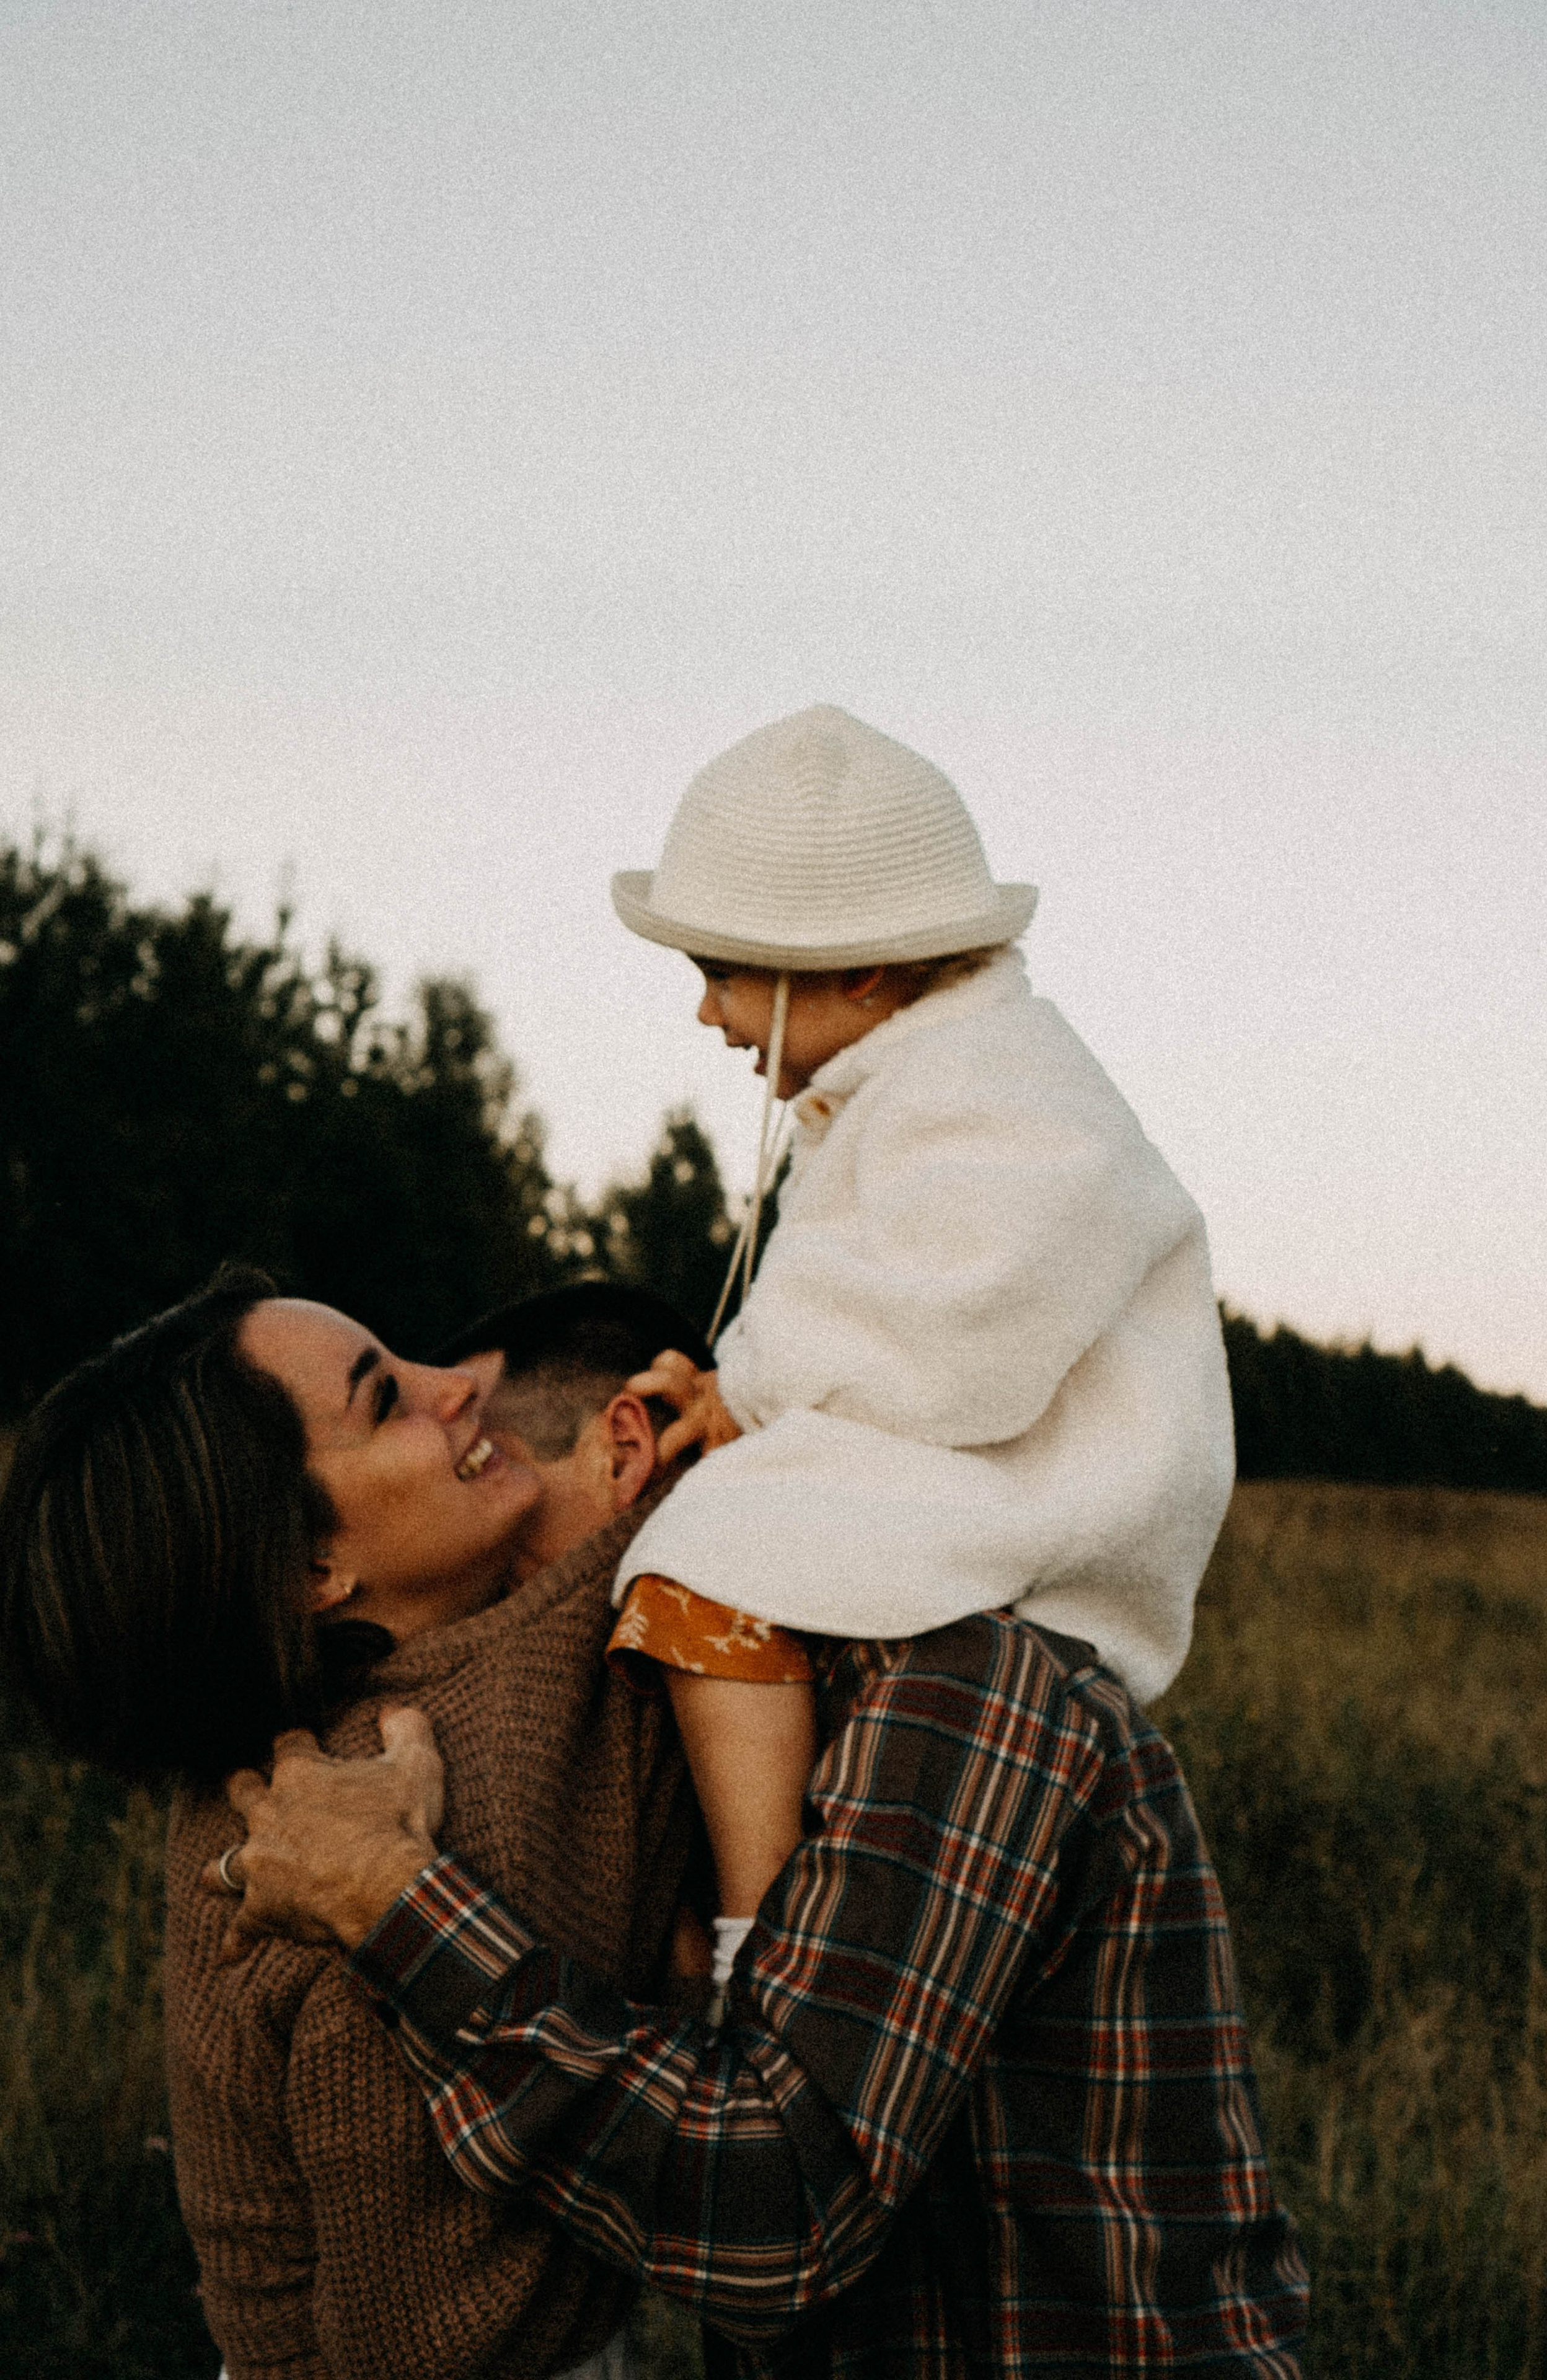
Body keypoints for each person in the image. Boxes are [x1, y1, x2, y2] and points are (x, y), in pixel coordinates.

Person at [206, 1608, 1308, 2376]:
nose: (458, 1404)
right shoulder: (614, 1754)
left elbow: (774, 2207)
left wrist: (388, 1899)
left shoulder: (958, 1690)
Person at [604, 704, 1237, 1999]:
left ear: (859, 975)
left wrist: (754, 1397)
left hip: (1049, 1493)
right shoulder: (914, 1079)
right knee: (712, 1519)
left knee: (701, 1558)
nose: (708, 1013)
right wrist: (738, 1391)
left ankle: (758, 1938)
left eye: (724, 973)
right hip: (979, 1461)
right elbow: (881, 1309)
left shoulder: (1004, 1092)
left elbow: (956, 1337)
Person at [0, 1269, 712, 2380]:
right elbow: (409, 2345)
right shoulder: (394, 1805)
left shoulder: (325, 1730)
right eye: (386, 1401)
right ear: (311, 1569)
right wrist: (719, 1443)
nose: (461, 1387)